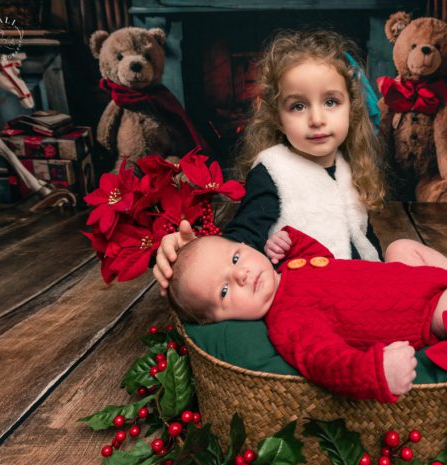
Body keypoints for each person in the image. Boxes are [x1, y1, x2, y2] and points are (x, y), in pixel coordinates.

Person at [167, 226, 447, 404]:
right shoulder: (287, 322)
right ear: (220, 320)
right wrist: (376, 373)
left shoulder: (287, 273)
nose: (241, 273)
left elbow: (325, 262)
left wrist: (294, 243)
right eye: (225, 290)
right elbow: (326, 362)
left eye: (236, 256)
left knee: (400, 247)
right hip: (428, 315)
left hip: (420, 282)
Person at [154, 30, 390, 294]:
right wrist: (194, 252)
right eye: (298, 106)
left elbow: (362, 236)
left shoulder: (347, 165)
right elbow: (244, 236)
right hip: (310, 296)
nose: (316, 118)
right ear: (278, 118)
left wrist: (381, 272)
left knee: (402, 253)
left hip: (364, 286)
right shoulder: (274, 170)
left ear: (351, 108)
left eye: (331, 102)